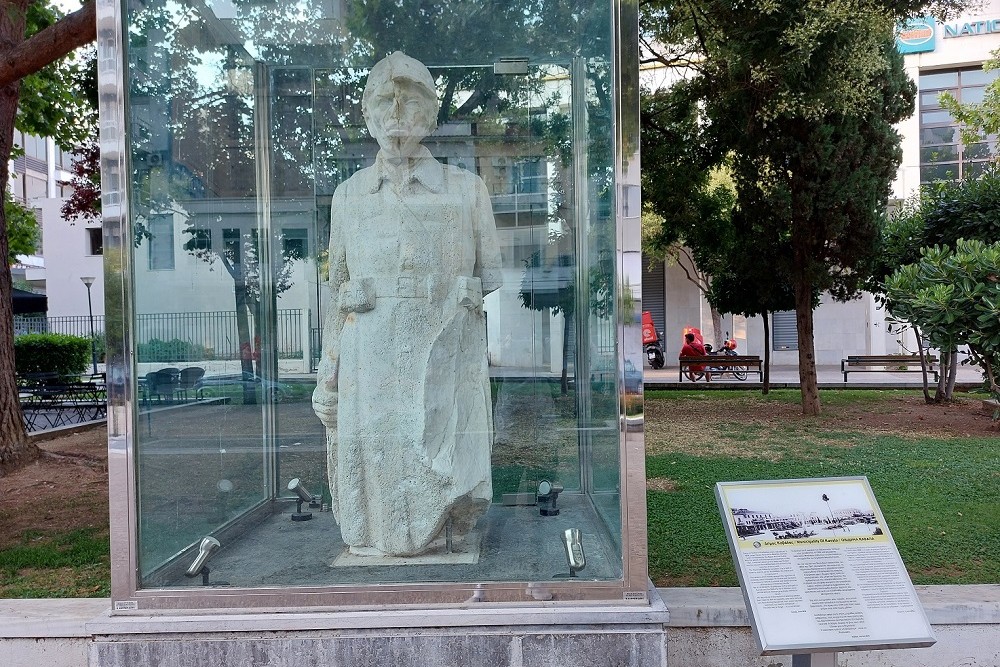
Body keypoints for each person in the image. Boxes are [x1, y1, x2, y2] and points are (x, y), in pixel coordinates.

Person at [311, 52, 503, 558]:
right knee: (376, 454)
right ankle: (378, 532)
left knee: (440, 453)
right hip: (369, 354)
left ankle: (448, 524)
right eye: (383, 99)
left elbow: (489, 275)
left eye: (410, 98)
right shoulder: (349, 196)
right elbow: (340, 291)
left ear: (432, 114)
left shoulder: (466, 191)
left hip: (440, 346)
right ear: (367, 114)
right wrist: (327, 373)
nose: (396, 109)